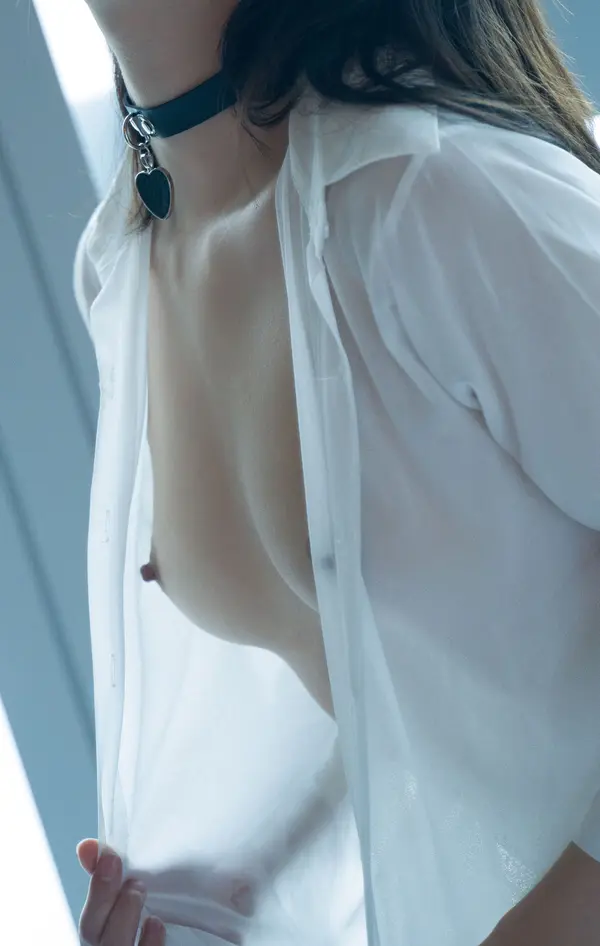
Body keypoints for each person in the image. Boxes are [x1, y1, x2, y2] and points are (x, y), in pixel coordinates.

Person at [72, 0, 600, 943]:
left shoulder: (433, 193)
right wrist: (238, 891)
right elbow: (394, 664)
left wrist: (560, 918)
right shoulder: (124, 261)